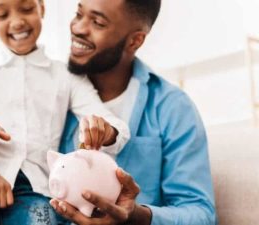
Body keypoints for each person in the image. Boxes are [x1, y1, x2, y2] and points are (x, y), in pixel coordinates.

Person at [0, 0, 130, 224]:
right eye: (2, 14)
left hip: (36, 188)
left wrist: (106, 130)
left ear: (42, 8)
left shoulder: (67, 77)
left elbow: (118, 128)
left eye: (27, 8)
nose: (17, 21)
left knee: (42, 220)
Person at [49, 0, 217, 224]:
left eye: (98, 22)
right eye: (78, 14)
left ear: (135, 40)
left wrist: (137, 216)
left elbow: (201, 214)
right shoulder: (51, 94)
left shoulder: (172, 108)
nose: (78, 28)